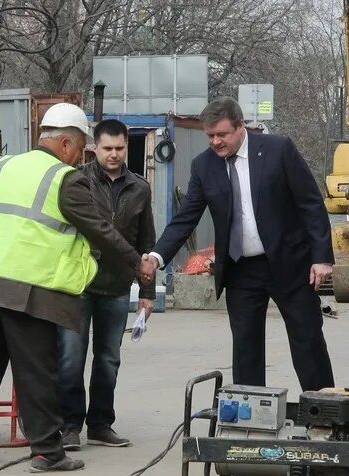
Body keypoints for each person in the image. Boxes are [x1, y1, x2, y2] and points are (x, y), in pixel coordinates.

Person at [0, 104, 155, 472]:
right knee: (36, 368)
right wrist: (136, 261)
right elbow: (100, 229)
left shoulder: (1, 167)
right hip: (29, 286)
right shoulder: (65, 178)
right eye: (81, 149)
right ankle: (48, 449)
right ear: (65, 142)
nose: (82, 158)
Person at [143, 97, 335, 392]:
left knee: (307, 338)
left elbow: (311, 204)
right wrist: (157, 256)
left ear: (241, 126)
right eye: (210, 136)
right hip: (241, 269)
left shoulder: (278, 150)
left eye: (222, 134)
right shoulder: (203, 166)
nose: (216, 142)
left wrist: (321, 257)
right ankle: (252, 419)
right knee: (245, 347)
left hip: (290, 263)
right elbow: (186, 218)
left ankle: (323, 408)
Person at [57, 119, 156, 451]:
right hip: (78, 285)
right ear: (94, 148)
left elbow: (146, 244)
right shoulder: (77, 181)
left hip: (116, 287)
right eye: (107, 148)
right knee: (71, 357)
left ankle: (100, 424)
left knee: (108, 359)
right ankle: (69, 425)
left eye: (120, 148)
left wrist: (146, 294)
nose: (114, 155)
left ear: (127, 147)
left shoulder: (140, 188)